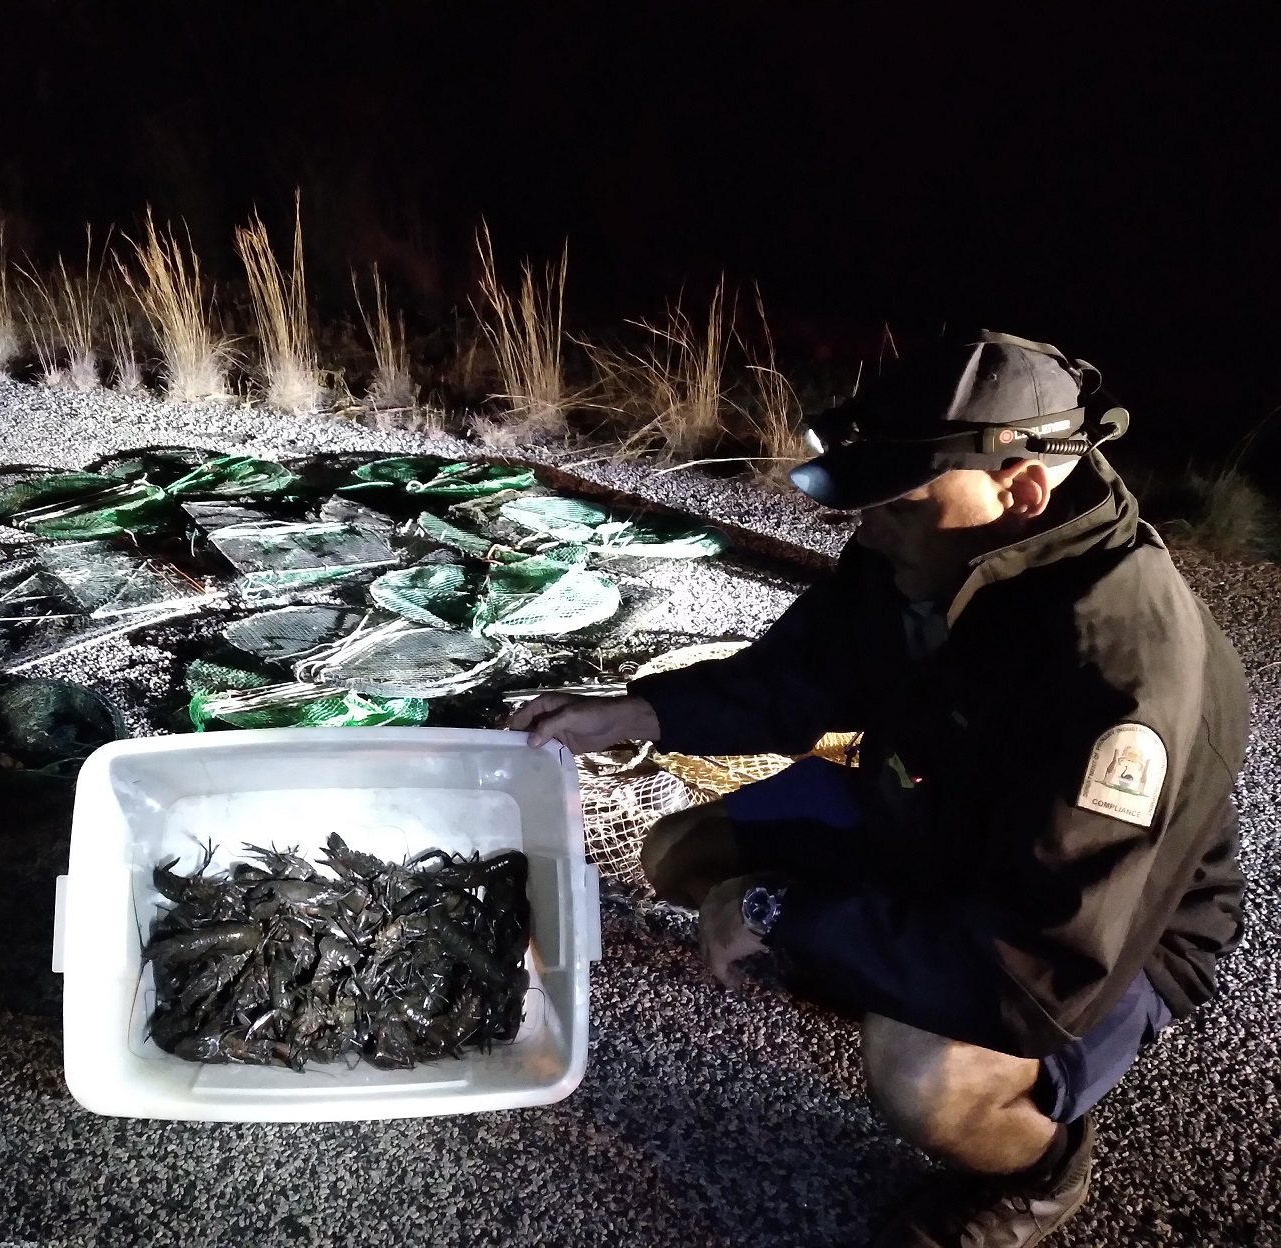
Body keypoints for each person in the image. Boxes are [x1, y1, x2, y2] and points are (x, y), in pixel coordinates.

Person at [510, 332, 1249, 1248]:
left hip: (1103, 926)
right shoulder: (929, 547)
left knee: (916, 1070)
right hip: (923, 812)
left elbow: (1032, 973)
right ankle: (879, 956)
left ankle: (1048, 1167)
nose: (867, 528)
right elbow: (801, 674)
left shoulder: (1123, 673)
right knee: (679, 854)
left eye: (895, 504)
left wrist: (785, 911)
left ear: (1022, 489)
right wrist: (633, 714)